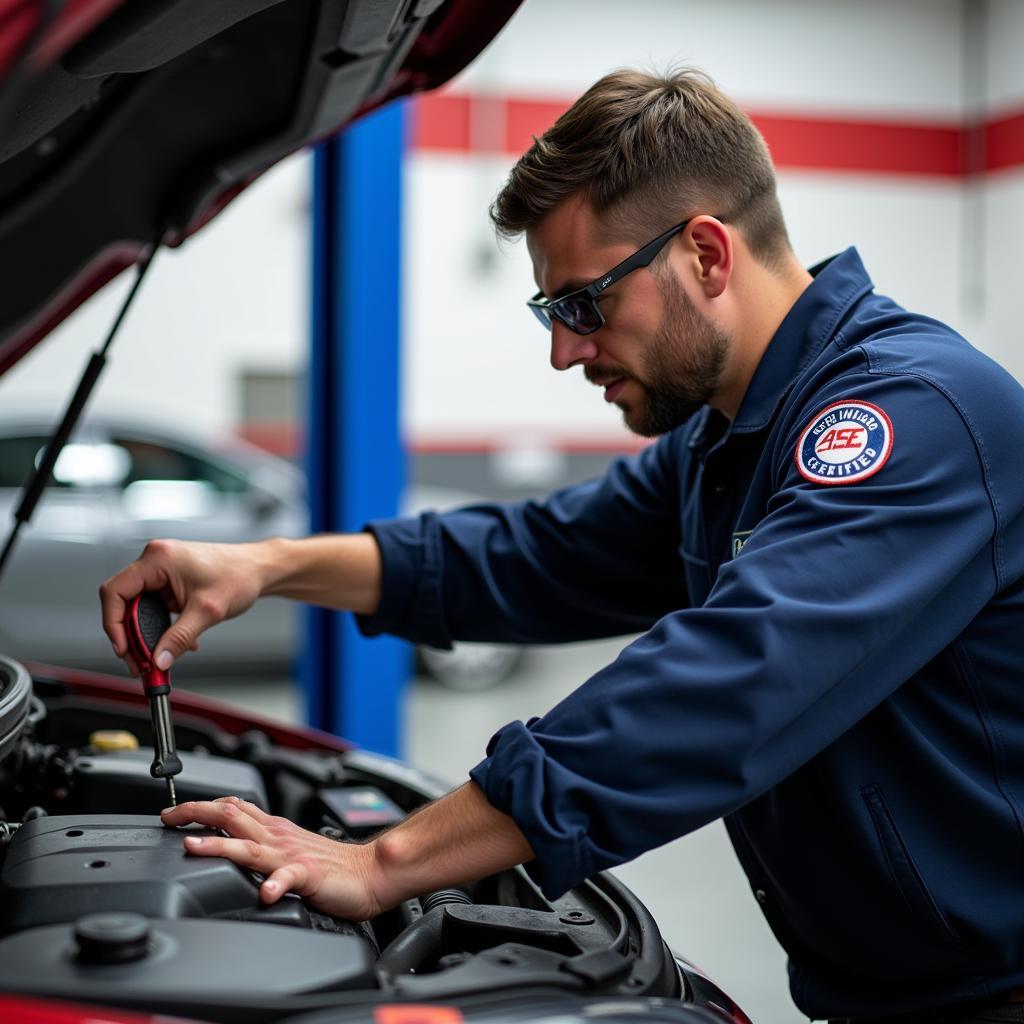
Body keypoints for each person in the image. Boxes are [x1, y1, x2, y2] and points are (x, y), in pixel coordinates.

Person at [100, 68, 1024, 1023]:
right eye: (552, 314)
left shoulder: (914, 418)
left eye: (583, 304)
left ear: (706, 252)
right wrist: (265, 567)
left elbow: (721, 686)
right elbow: (529, 554)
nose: (564, 352)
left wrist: (385, 862)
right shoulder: (726, 437)